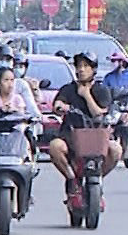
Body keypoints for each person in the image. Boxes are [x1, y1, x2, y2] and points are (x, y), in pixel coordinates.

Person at [48, 50, 122, 197]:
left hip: (96, 139)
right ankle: (72, 178)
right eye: (79, 66)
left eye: (85, 66)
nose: (81, 69)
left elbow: (99, 113)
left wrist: (86, 95)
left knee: (116, 149)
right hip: (71, 137)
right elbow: (58, 104)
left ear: (93, 69)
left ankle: (98, 177)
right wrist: (61, 107)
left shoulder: (101, 90)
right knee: (55, 146)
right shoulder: (69, 89)